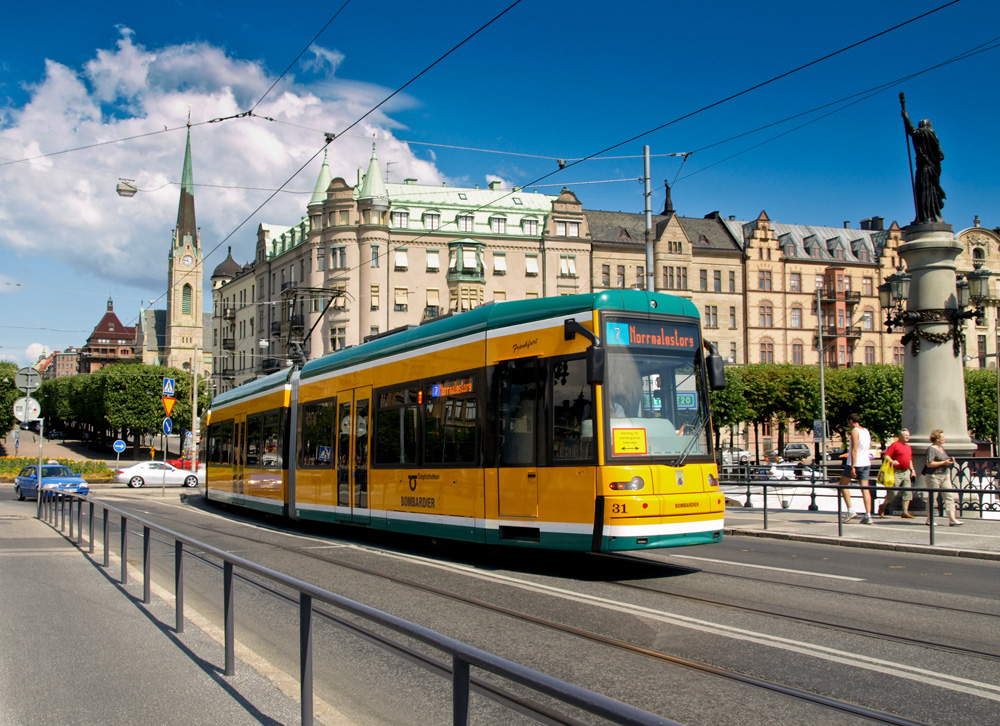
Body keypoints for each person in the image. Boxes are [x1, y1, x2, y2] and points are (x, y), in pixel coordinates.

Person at [901, 94, 945, 224]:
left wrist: (906, 117)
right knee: (929, 193)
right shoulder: (935, 138)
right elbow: (941, 156)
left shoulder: (923, 133)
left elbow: (912, 132)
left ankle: (925, 217)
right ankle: (931, 216)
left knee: (923, 193)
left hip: (924, 170)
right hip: (933, 171)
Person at [839, 413, 874, 524]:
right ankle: (868, 515)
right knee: (865, 489)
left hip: (855, 463)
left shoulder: (854, 431)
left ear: (850, 421)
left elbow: (854, 449)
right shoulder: (866, 431)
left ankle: (850, 510)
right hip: (865, 462)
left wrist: (853, 466)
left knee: (842, 485)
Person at [925, 429, 962, 526]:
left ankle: (952, 519)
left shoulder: (941, 448)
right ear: (937, 439)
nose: (944, 439)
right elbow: (929, 463)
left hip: (945, 475)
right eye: (942, 437)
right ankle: (930, 519)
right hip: (934, 475)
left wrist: (949, 460)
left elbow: (943, 459)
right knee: (933, 498)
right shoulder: (931, 449)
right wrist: (943, 462)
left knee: (949, 496)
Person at [880, 428, 917, 519]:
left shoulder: (908, 447)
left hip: (906, 472)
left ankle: (905, 512)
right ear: (900, 436)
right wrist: (892, 462)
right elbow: (886, 456)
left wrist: (912, 470)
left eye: (908, 435)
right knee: (893, 492)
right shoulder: (895, 445)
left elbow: (909, 460)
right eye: (905, 435)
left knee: (907, 492)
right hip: (896, 472)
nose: (907, 437)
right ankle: (883, 506)